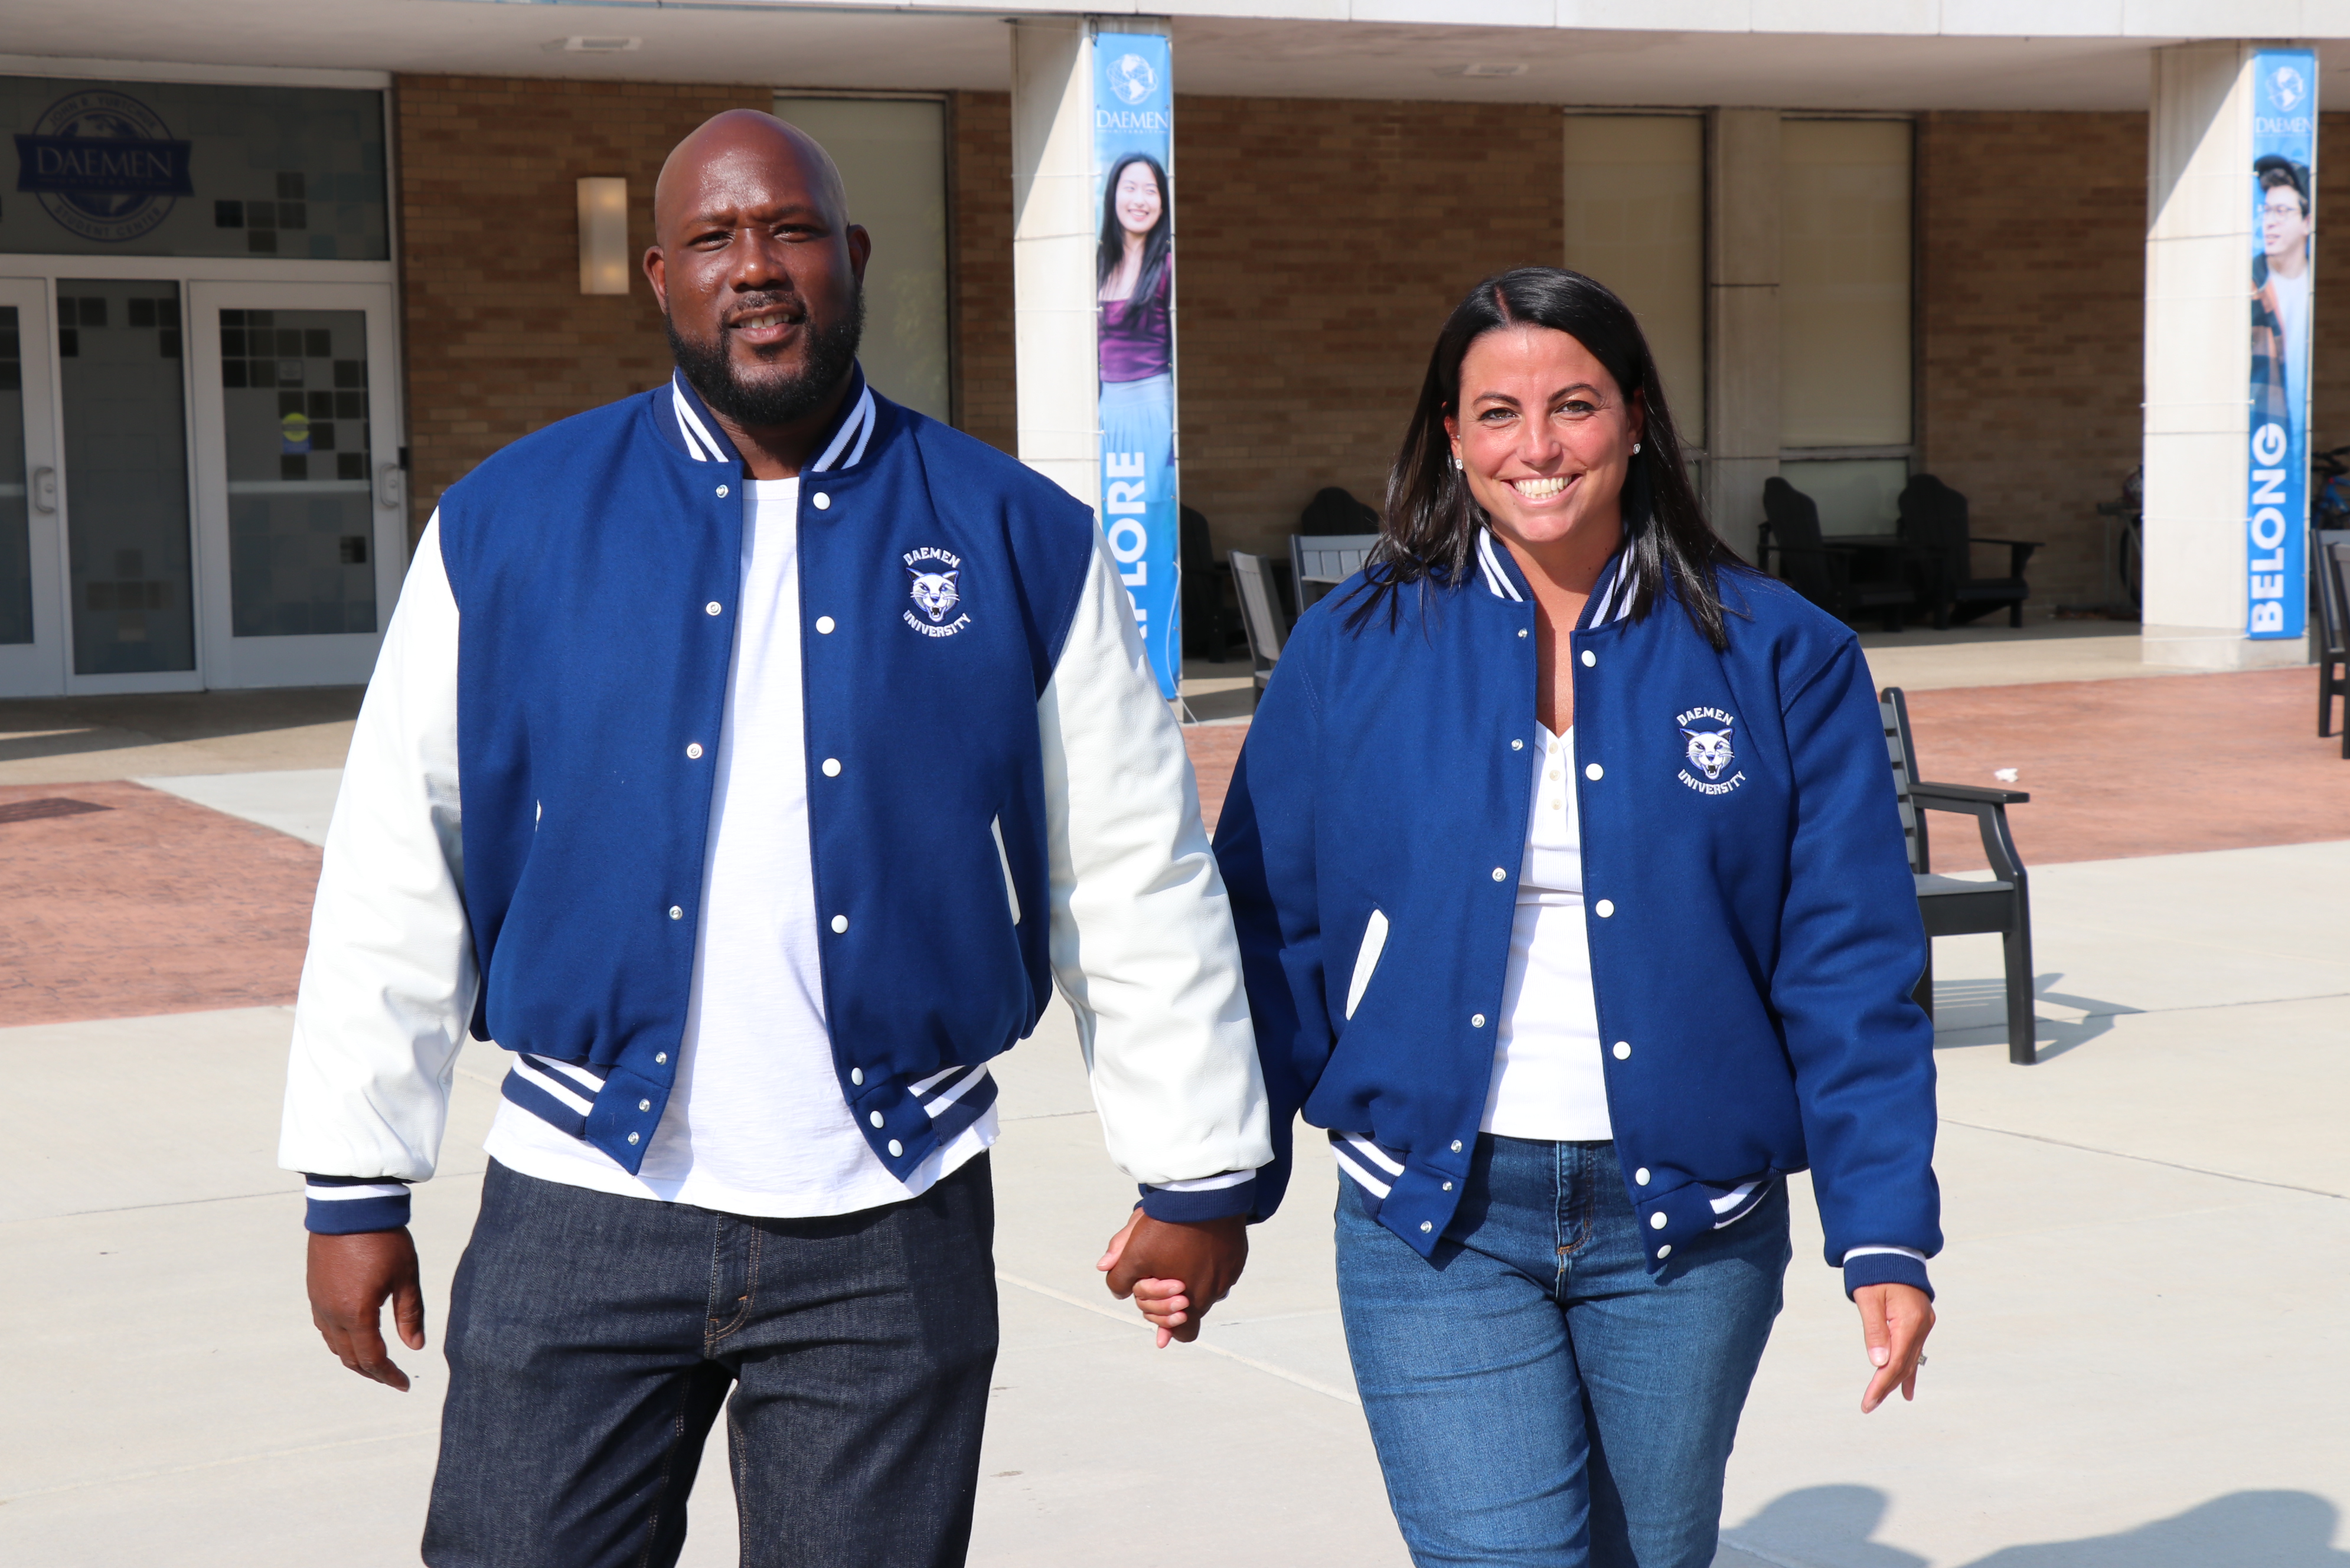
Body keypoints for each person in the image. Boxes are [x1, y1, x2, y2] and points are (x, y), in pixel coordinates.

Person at [280, 110, 1269, 1568]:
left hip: (891, 1212)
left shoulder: (1015, 537)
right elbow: (393, 863)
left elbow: (1130, 870)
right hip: (581, 1194)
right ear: (661, 277)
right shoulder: (508, 526)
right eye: (716, 238)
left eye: (791, 229)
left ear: (852, 258)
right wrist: (354, 1180)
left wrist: (1196, 1170)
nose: (758, 266)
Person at [1190, 267, 1941, 1568]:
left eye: (1574, 405)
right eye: (1496, 413)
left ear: (1639, 418)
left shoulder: (1781, 651)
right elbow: (1268, 935)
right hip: (1432, 1212)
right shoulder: (1350, 649)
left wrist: (1883, 1224)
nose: (1536, 448)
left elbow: (1849, 959)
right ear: (1451, 436)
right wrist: (1208, 1189)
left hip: (1692, 1222)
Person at [1096, 152, 1174, 509]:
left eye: (1151, 190)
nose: (1140, 200)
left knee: (1149, 509)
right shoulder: (1096, 264)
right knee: (1109, 508)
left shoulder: (1169, 266)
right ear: (1114, 194)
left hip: (1152, 405)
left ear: (1163, 203)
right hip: (1106, 408)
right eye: (1130, 188)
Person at [2253, 155, 2313, 431]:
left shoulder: (2316, 285)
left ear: (2307, 222)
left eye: (2282, 211)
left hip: (2306, 435)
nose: (2270, 222)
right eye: (2266, 211)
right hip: (2264, 441)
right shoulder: (2249, 285)